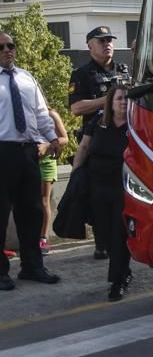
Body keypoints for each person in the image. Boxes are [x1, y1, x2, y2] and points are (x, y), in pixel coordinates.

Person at [0, 32, 63, 290]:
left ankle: (32, 266)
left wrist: (53, 138)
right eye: (1, 47)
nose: (7, 50)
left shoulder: (26, 78)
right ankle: (1, 272)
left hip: (28, 151)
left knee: (33, 211)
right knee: (0, 214)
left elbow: (41, 113)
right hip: (2, 151)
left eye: (11, 45)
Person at [69, 25, 129, 260]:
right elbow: (76, 108)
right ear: (89, 45)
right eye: (101, 41)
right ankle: (101, 242)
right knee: (100, 199)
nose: (107, 44)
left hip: (125, 140)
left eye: (109, 40)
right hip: (97, 141)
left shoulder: (124, 70)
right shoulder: (82, 74)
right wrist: (108, 100)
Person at [75, 85, 132, 300]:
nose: (123, 103)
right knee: (104, 236)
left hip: (122, 188)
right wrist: (76, 176)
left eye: (126, 99)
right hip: (97, 186)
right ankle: (122, 271)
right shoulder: (98, 122)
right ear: (111, 102)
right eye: (119, 99)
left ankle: (118, 280)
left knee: (119, 234)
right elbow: (83, 148)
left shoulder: (136, 126)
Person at [37, 109, 70, 254]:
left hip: (47, 161)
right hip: (30, 160)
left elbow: (64, 138)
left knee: (44, 200)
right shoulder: (26, 112)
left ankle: (43, 239)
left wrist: (47, 145)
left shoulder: (51, 114)